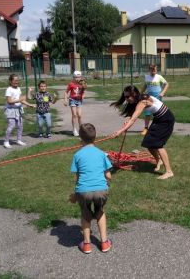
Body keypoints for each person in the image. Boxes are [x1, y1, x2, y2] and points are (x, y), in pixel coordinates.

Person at [110, 85, 175, 180]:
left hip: (166, 120)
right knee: (148, 143)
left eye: (128, 97)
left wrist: (120, 131)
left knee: (158, 145)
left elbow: (133, 119)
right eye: (125, 97)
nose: (126, 99)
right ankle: (159, 161)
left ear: (134, 94)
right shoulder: (137, 100)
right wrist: (128, 119)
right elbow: (132, 115)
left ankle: (169, 171)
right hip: (158, 119)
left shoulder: (143, 101)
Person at [70, 123, 112, 254]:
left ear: (80, 139)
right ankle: (104, 242)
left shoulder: (77, 155)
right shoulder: (101, 154)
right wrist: (107, 184)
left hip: (83, 191)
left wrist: (75, 194)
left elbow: (76, 178)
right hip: (101, 190)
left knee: (86, 215)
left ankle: (87, 244)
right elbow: (108, 175)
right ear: (95, 137)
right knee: (100, 212)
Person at [3, 74, 35, 149]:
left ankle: (19, 140)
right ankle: (6, 141)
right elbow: (9, 101)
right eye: (15, 80)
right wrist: (20, 100)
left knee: (20, 126)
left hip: (18, 110)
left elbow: (22, 99)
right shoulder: (9, 89)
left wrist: (29, 104)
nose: (17, 82)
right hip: (11, 110)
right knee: (11, 126)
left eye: (17, 80)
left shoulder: (18, 89)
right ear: (11, 81)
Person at [140, 64, 169, 136]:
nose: (154, 71)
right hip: (149, 97)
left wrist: (162, 93)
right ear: (149, 70)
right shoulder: (147, 77)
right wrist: (141, 93)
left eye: (155, 70)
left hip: (157, 97)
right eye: (152, 70)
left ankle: (159, 127)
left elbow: (166, 84)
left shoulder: (159, 77)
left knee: (158, 113)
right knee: (147, 113)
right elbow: (145, 85)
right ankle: (146, 128)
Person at [64, 70, 87, 136]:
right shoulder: (71, 84)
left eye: (79, 77)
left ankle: (81, 129)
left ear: (81, 77)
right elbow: (66, 92)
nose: (77, 79)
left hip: (79, 100)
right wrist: (65, 100)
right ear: (73, 77)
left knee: (79, 115)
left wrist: (83, 95)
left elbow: (83, 92)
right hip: (72, 100)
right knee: (74, 115)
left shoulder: (82, 83)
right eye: (76, 77)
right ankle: (74, 129)